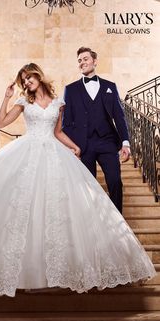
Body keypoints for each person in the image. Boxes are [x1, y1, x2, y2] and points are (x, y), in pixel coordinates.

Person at [0, 63, 156, 297]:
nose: (26, 82)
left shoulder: (58, 103)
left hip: (54, 153)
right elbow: (0, 123)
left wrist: (74, 146)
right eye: (23, 80)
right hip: (27, 151)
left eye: (28, 77)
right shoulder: (24, 102)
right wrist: (6, 98)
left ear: (38, 75)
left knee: (60, 208)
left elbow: (57, 132)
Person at [63, 47, 131, 213]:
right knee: (87, 185)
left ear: (94, 61)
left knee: (115, 181)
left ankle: (118, 220)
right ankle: (92, 224)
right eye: (79, 60)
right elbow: (67, 122)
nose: (82, 62)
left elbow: (119, 117)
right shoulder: (70, 89)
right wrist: (73, 147)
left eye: (85, 59)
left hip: (107, 142)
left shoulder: (110, 86)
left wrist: (125, 143)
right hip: (83, 144)